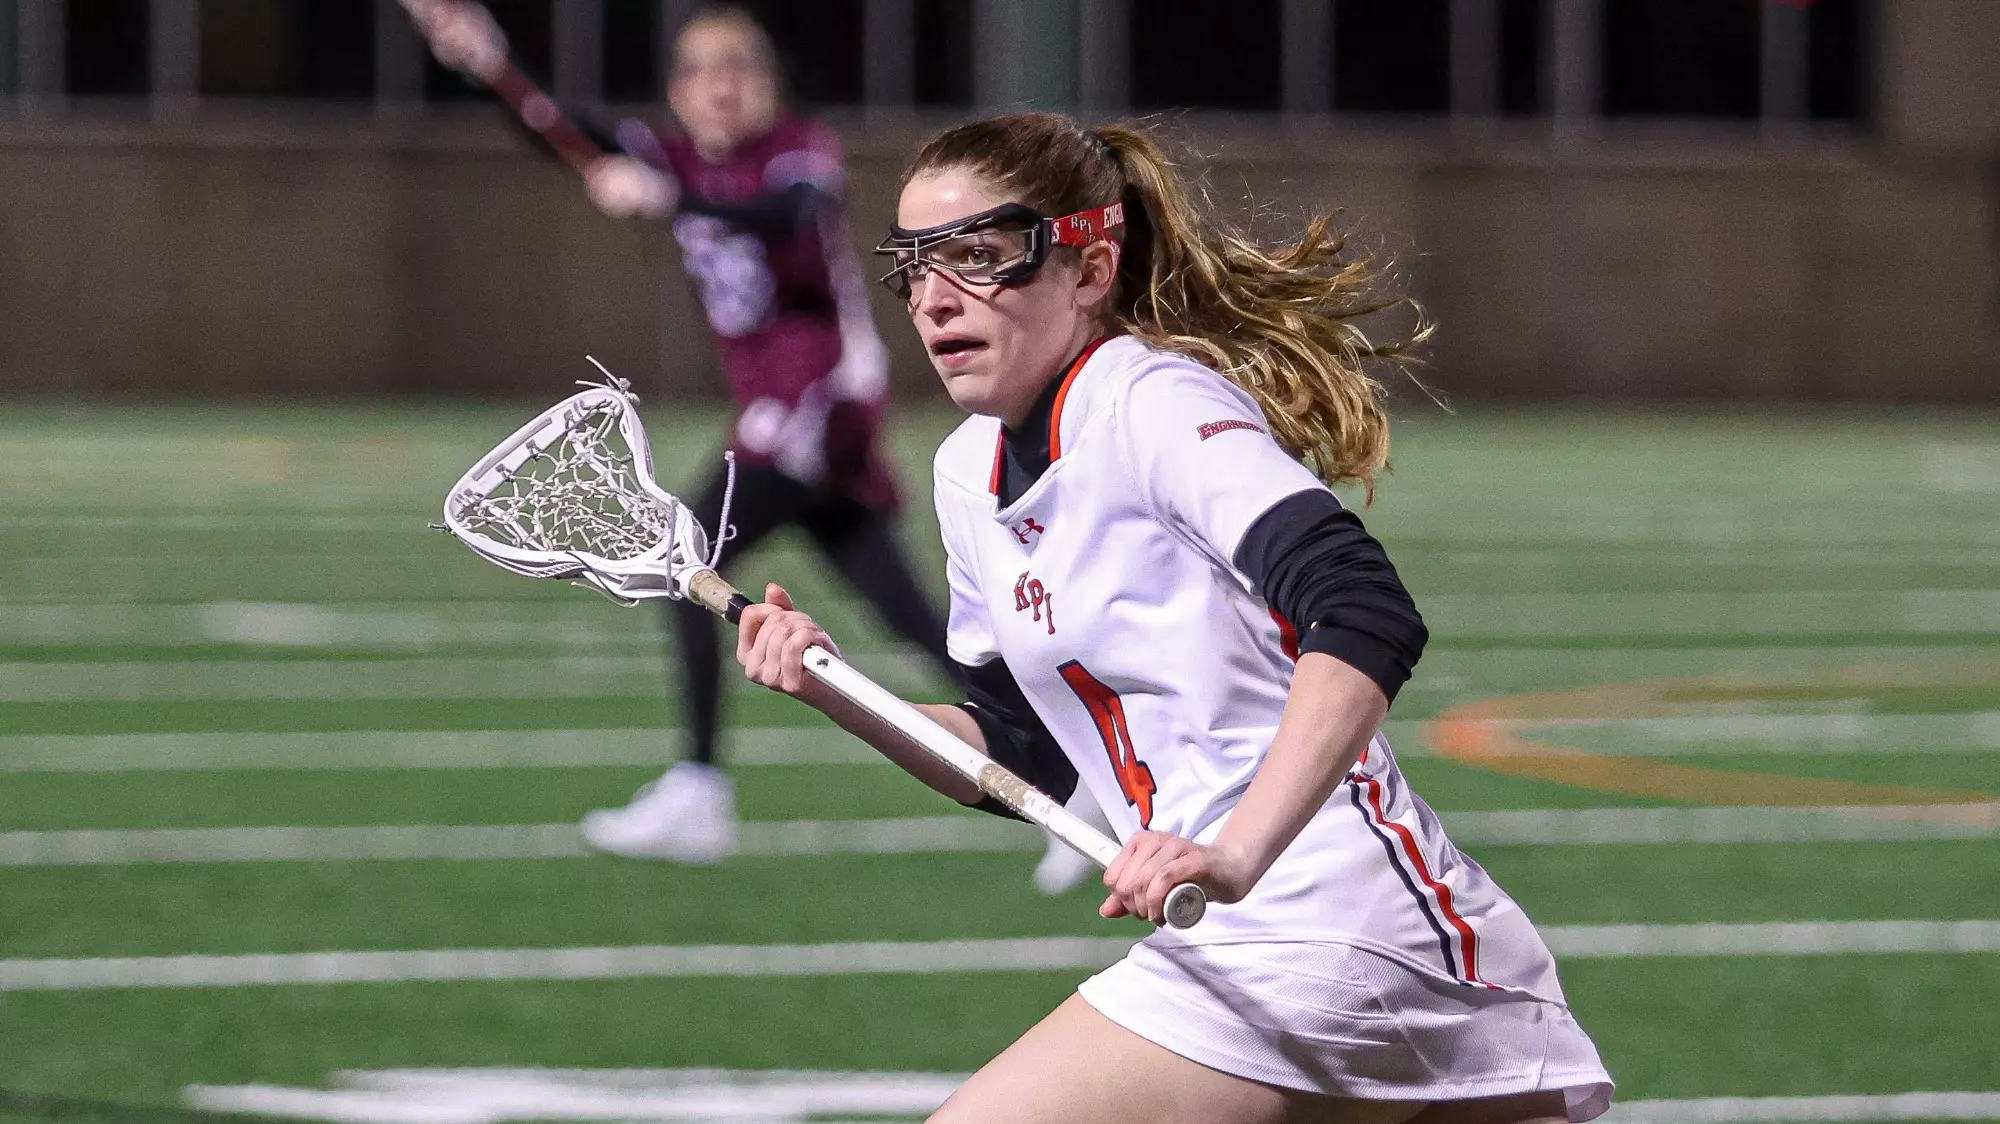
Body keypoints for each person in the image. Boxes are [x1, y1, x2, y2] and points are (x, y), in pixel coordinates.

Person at [731, 112, 1615, 1123]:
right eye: (915, 265)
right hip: (1300, 944)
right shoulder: (965, 472)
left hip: (1318, 923)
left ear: (1090, 263)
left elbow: (1362, 608)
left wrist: (1235, 851)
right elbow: (1020, 750)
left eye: (978, 256)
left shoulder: (1145, 403)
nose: (935, 299)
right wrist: (835, 686)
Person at [414, 4, 1123, 884]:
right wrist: (487, 60)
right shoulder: (677, 152)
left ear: (768, 83)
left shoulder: (795, 152)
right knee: (910, 620)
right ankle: (1077, 765)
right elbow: (567, 129)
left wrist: (668, 197)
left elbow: (780, 211)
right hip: (792, 414)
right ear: (676, 91)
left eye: (739, 67)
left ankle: (700, 790)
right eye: (702, 70)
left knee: (681, 561)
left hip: (814, 404)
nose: (722, 86)